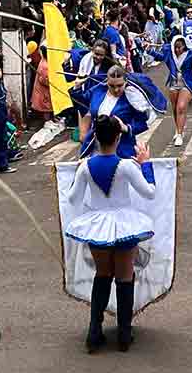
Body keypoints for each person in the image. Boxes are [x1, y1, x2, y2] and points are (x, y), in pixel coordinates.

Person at [64, 116, 156, 352]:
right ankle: (124, 334)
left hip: (97, 225)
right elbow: (149, 193)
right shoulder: (126, 166)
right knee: (125, 277)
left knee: (102, 275)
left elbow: (73, 198)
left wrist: (77, 173)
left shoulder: (85, 166)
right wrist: (145, 164)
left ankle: (94, 332)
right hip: (126, 225)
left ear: (95, 137)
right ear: (118, 138)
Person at [79, 65, 156, 161]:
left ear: (126, 82)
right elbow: (81, 103)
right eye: (111, 85)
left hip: (122, 149)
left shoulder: (133, 98)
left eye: (120, 85)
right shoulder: (98, 90)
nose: (116, 89)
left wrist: (126, 128)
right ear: (107, 81)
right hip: (95, 147)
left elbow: (143, 123)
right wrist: (77, 87)